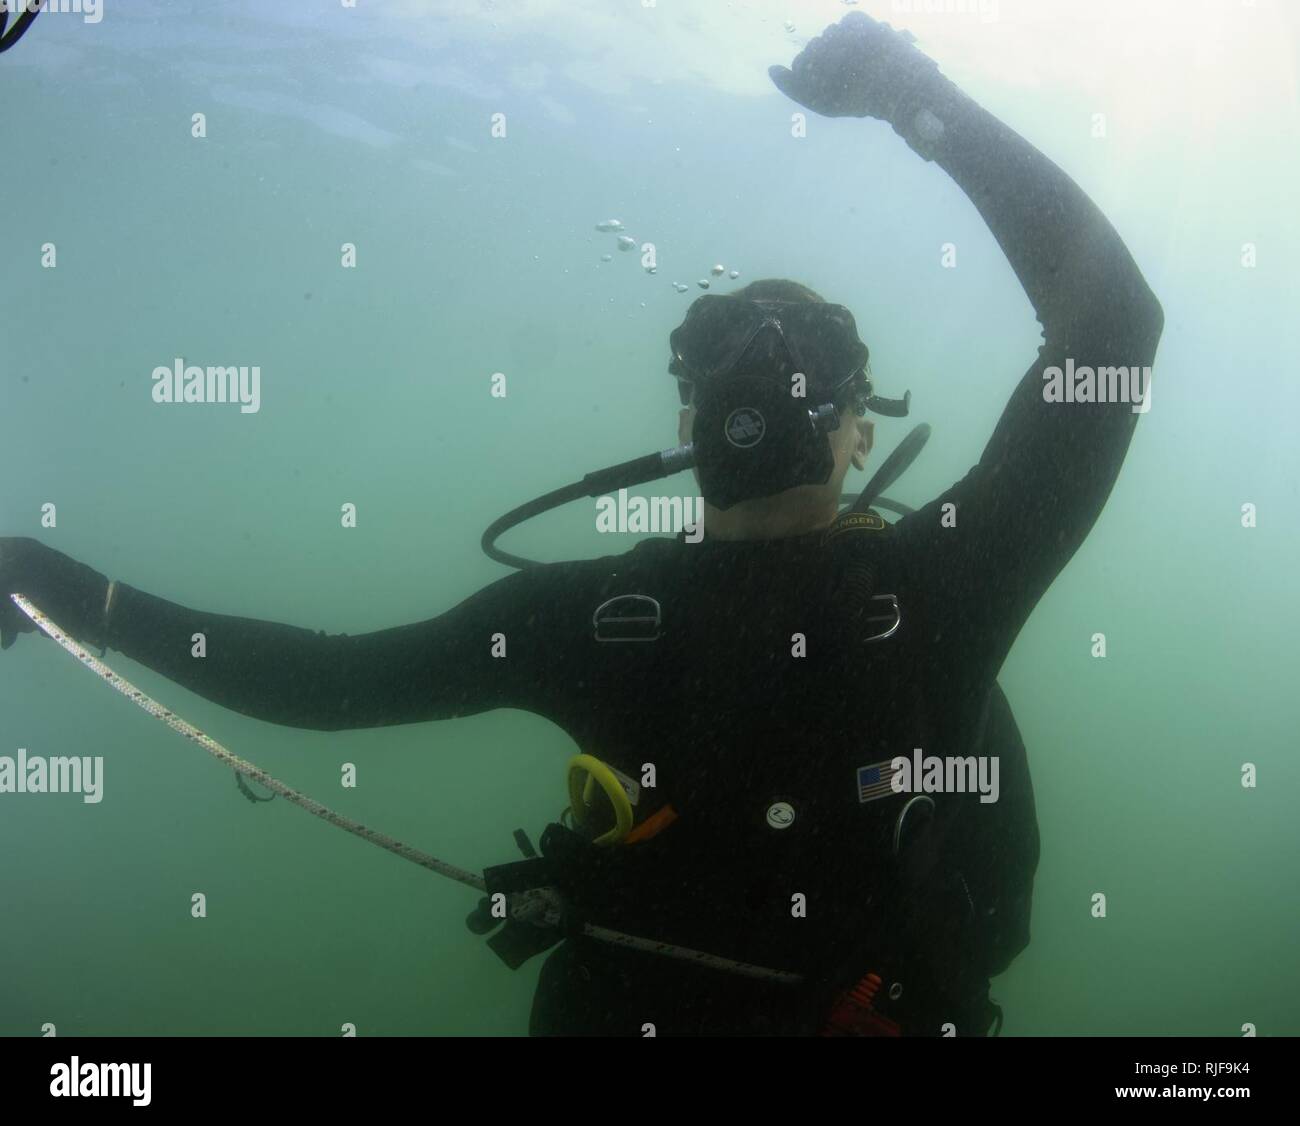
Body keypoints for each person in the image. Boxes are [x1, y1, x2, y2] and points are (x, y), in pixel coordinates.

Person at [0, 13, 1162, 1036]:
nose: (757, 373)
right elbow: (323, 680)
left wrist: (917, 99)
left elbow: (1111, 327)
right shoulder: (593, 616)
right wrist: (66, 591)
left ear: (862, 428)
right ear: (685, 409)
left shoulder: (942, 585)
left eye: (808, 357)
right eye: (719, 353)